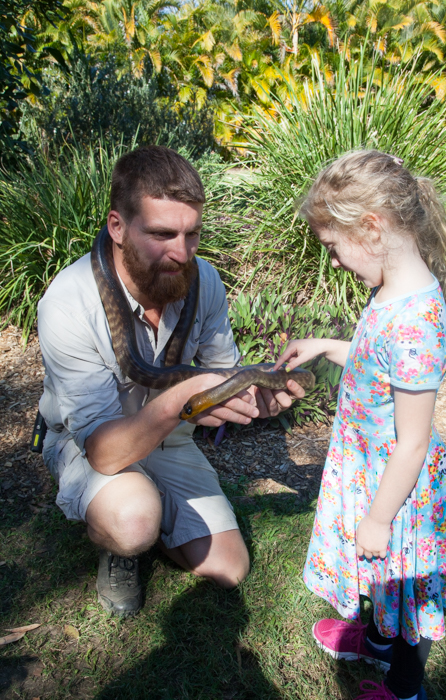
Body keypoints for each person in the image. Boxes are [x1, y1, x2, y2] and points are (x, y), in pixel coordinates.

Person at [37, 145, 304, 617]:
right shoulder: (69, 301)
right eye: (162, 234)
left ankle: (153, 510)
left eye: (192, 234)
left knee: (229, 569)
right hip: (94, 446)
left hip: (171, 440)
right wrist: (182, 399)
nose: (181, 253)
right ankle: (125, 541)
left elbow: (226, 375)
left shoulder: (204, 282)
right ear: (117, 227)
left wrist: (257, 400)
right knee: (132, 520)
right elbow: (102, 450)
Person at [274, 150, 446, 700]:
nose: (333, 261)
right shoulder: (394, 293)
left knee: (405, 589)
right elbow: (374, 359)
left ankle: (405, 687)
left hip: (399, 491)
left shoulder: (415, 322)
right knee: (377, 572)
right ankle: (377, 641)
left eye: (334, 247)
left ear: (372, 227)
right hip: (372, 470)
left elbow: (414, 442)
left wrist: (380, 518)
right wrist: (328, 346)